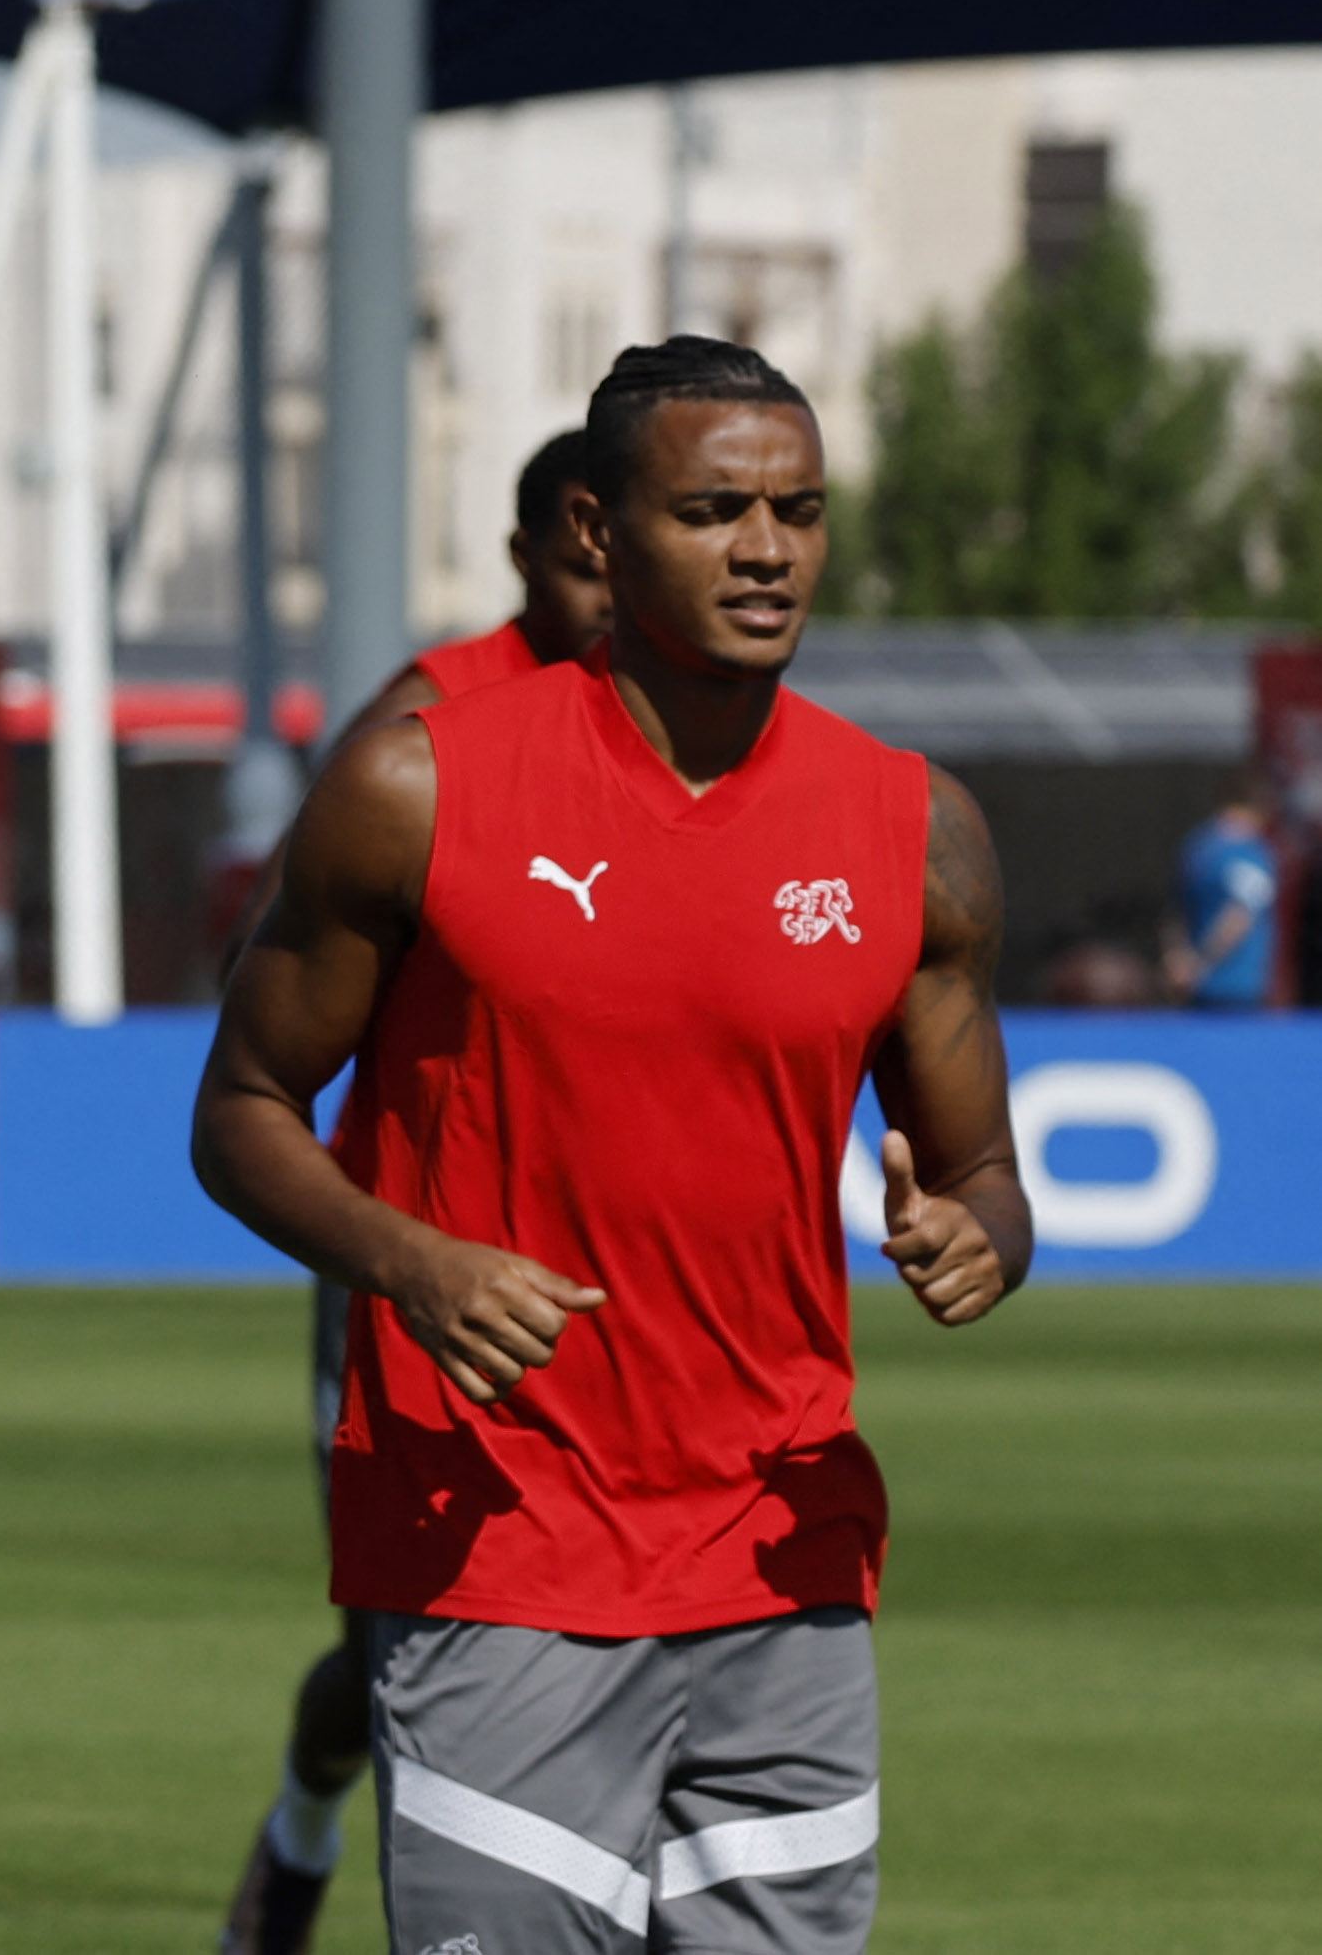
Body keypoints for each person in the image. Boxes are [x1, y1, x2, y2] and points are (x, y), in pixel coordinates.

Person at [195, 336, 1030, 1955]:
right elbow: (237, 1109)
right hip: (502, 1547)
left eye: (797, 510)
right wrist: (406, 1258)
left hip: (788, 1563)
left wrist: (982, 1231)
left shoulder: (912, 825)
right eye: (715, 509)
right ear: (594, 530)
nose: (767, 549)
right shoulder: (410, 785)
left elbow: (981, 1172)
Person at [218, 425, 611, 1955]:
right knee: (393, 1637)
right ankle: (304, 1818)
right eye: (576, 558)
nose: (604, 588)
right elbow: (269, 979)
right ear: (528, 555)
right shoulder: (423, 727)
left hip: (629, 1273)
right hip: (421, 1260)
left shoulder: (698, 732)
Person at [1165, 773, 1281, 1007]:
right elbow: (1239, 916)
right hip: (1236, 983)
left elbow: (1176, 911)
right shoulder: (1250, 852)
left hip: (1193, 984)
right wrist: (1201, 962)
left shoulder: (1196, 847)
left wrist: (1178, 960)